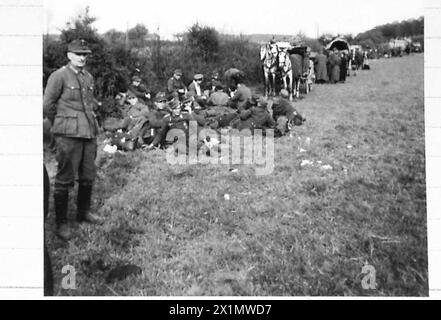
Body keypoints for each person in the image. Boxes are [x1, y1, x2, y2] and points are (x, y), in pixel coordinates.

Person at [43, 39, 104, 241]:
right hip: (68, 136)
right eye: (78, 54)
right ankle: (61, 222)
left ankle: (83, 212)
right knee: (64, 179)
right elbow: (48, 106)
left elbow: (88, 103)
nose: (82, 57)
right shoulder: (59, 76)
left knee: (88, 175)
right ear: (69, 55)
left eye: (85, 54)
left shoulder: (88, 77)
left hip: (88, 133)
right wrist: (61, 125)